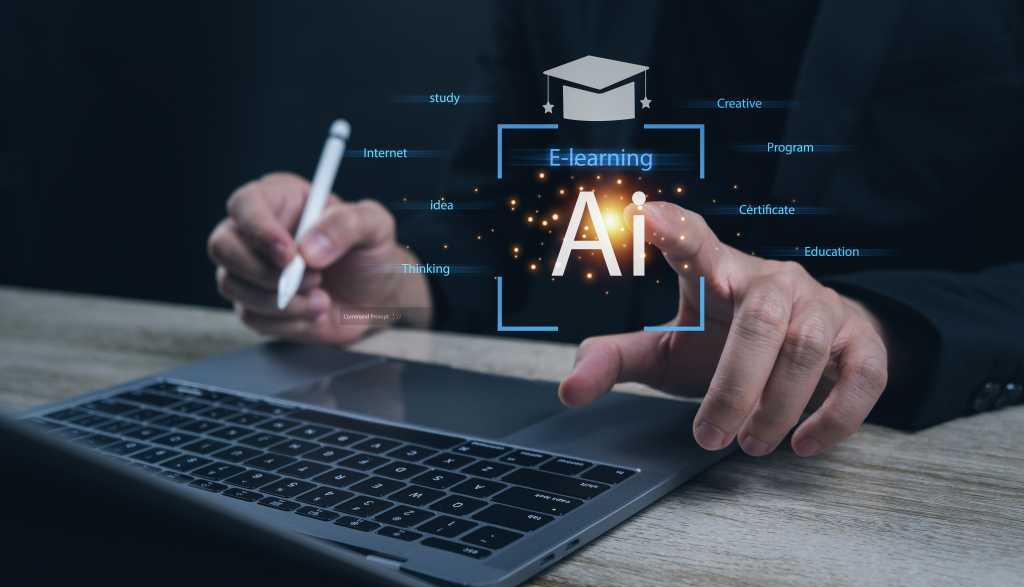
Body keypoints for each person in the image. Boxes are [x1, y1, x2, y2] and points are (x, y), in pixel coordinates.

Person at [207, 1, 1024, 459]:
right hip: (579, 451)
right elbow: (496, 220)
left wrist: (877, 325)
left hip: (896, 470)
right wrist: (389, 287)